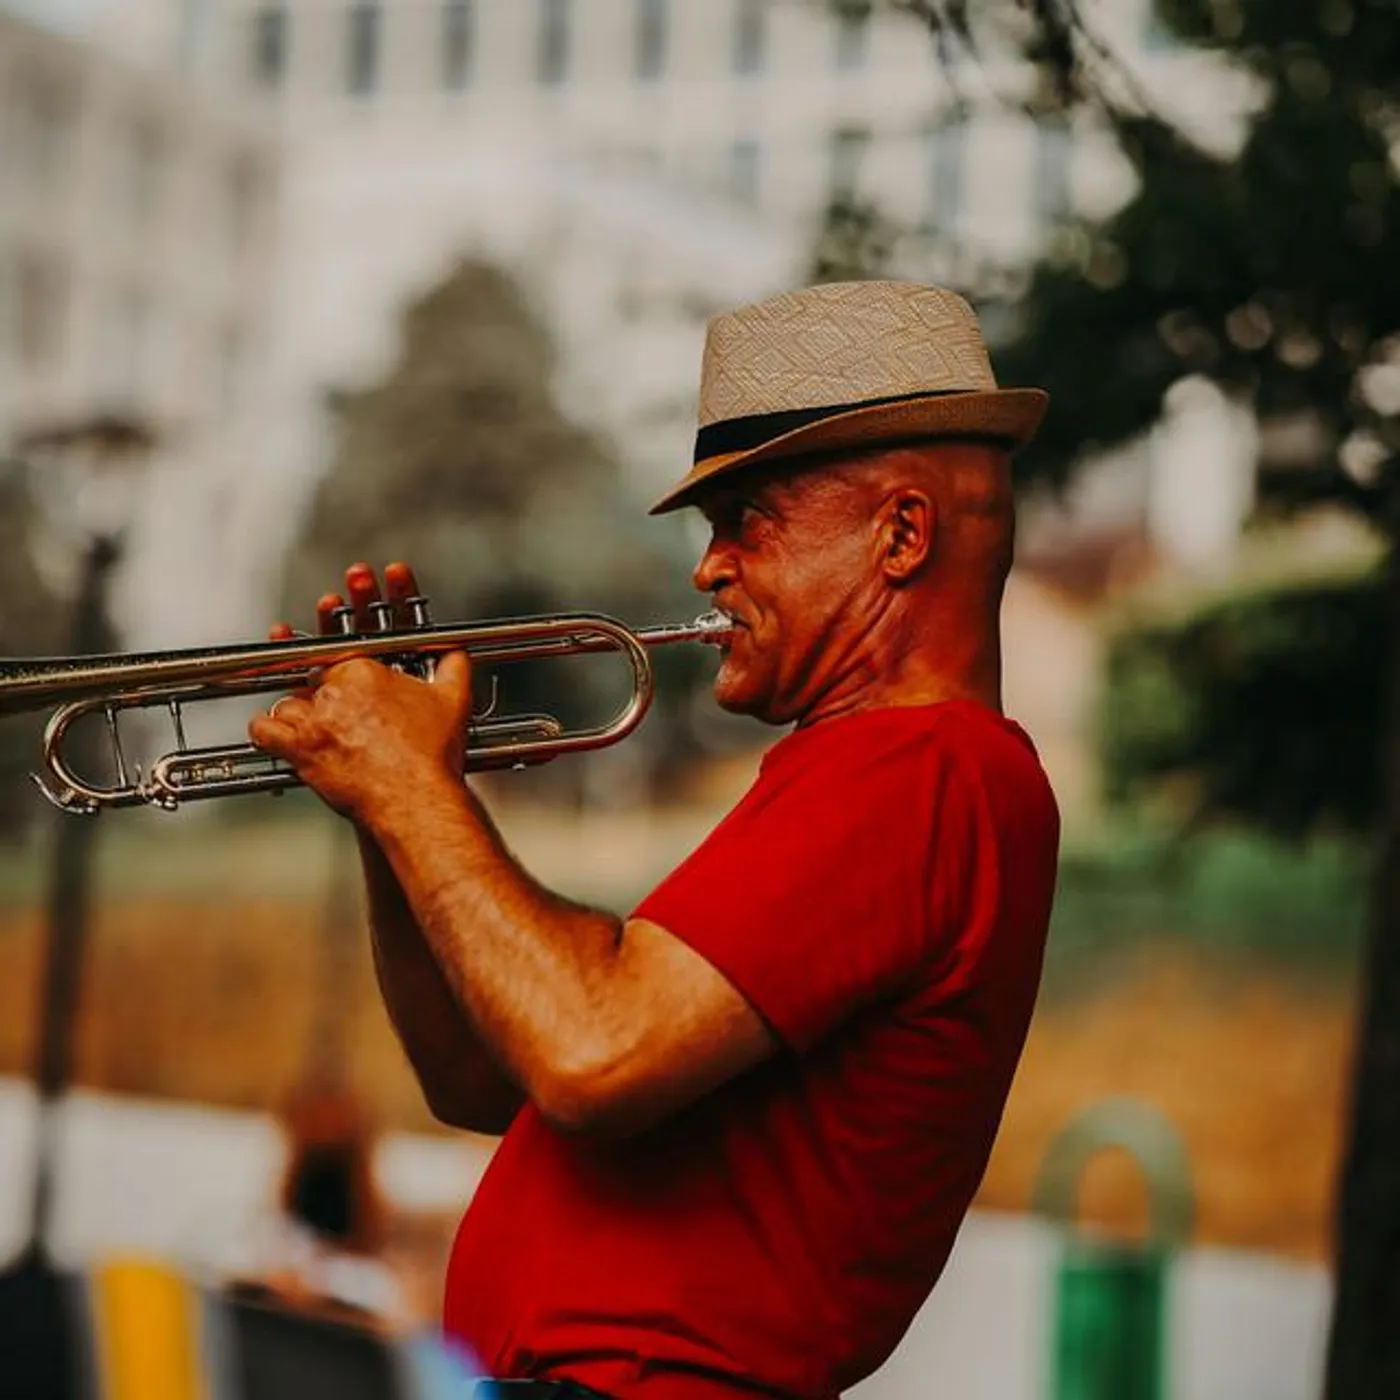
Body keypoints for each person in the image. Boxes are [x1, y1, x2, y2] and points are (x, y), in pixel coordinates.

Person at [251, 280, 1061, 1400]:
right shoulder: (862, 773)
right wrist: (386, 803)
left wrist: (408, 789)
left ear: (900, 533)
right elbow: (484, 1077)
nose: (708, 566)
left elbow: (590, 1053)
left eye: (749, 521)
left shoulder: (922, 769)